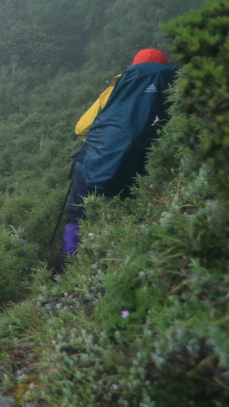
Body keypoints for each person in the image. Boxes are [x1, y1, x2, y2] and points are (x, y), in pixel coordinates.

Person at [61, 49, 178, 258]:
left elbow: (81, 128)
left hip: (93, 165)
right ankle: (112, 257)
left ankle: (67, 266)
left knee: (76, 217)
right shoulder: (170, 95)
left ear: (133, 69)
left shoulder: (114, 92)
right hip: (135, 168)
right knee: (123, 213)